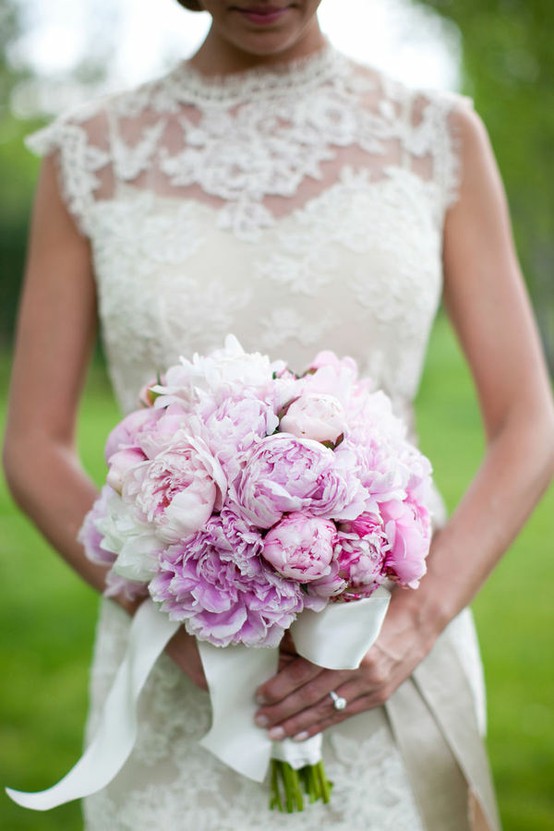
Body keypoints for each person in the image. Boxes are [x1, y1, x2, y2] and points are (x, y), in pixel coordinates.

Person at [3, 1, 554, 829]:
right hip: (174, 660)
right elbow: (35, 444)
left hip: (393, 651)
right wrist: (172, 619)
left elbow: (527, 419)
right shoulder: (91, 154)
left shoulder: (437, 135)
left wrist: (413, 623)